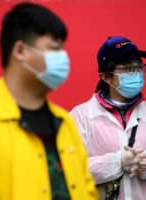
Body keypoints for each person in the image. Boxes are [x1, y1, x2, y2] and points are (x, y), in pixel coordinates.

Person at [0, 2, 97, 200]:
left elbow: (86, 190)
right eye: (54, 50)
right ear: (20, 51)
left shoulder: (65, 122)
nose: (64, 59)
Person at [70, 35, 146, 200]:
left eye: (139, 67)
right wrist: (118, 162)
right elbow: (71, 169)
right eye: (128, 69)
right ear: (106, 77)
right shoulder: (80, 116)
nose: (137, 74)